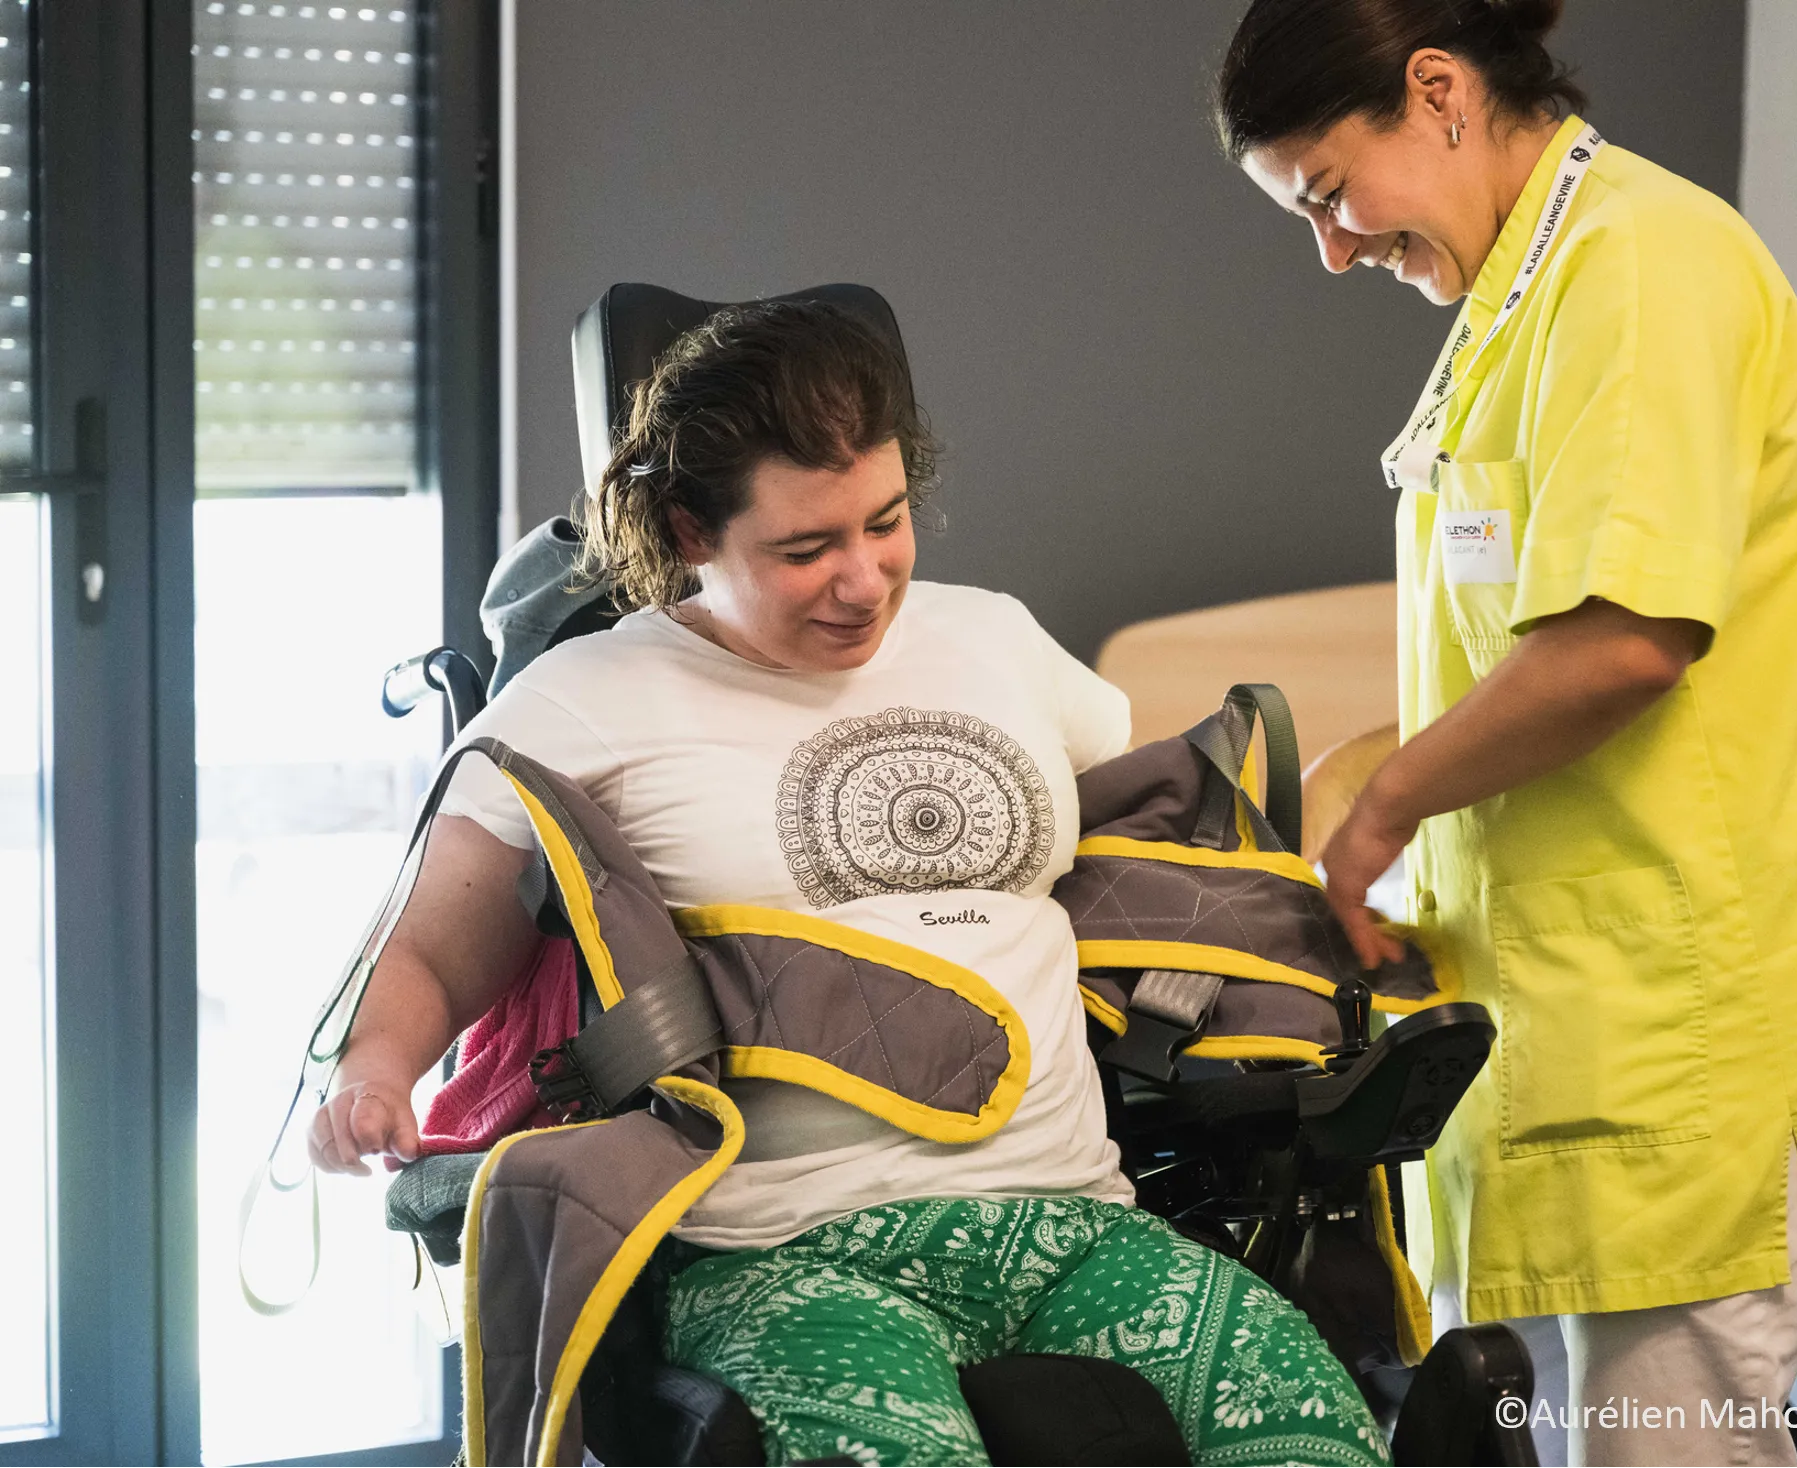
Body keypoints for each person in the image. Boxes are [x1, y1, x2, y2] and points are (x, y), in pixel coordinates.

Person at [304, 298, 1388, 1468]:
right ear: (689, 533)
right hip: (785, 1252)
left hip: (1078, 1220)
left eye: (886, 523)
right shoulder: (584, 701)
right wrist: (376, 1072)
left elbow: (1153, 846)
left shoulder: (999, 639)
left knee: (1309, 1431)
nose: (865, 579)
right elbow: (432, 948)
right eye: (807, 549)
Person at [1215, 2, 1797, 1464]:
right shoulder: (1524, 294)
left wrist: (1382, 810)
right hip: (1577, 1030)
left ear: (1438, 92)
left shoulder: (1643, 265)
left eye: (1330, 193)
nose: (1334, 249)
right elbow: (1508, 649)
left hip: (1692, 1029)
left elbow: (1623, 641)